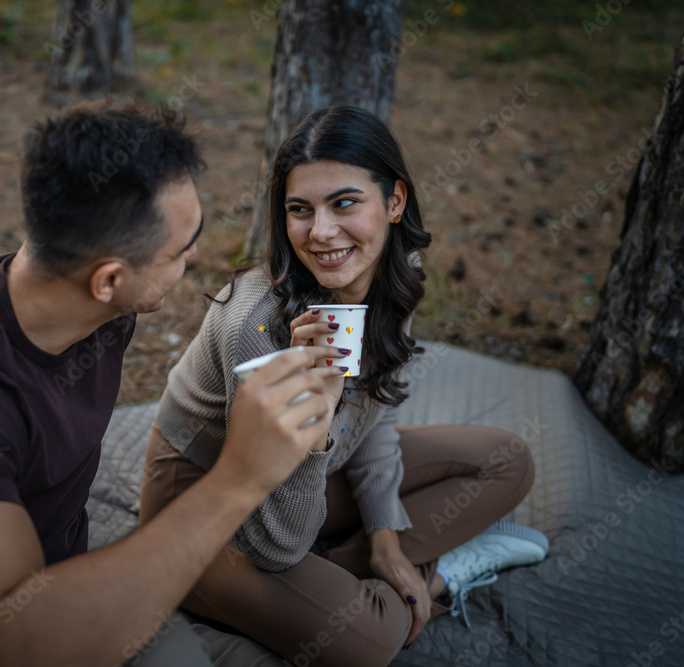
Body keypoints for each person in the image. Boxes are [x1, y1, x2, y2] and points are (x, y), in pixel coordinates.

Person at [0, 104, 347, 666]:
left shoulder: (96, 310)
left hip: (78, 594)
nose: (195, 255)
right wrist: (238, 479)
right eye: (182, 248)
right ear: (108, 280)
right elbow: (5, 646)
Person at [139, 105, 548, 667]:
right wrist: (315, 420)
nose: (321, 233)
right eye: (300, 209)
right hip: (206, 507)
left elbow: (372, 418)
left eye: (345, 203)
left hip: (313, 481)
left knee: (508, 462)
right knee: (368, 640)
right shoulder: (256, 328)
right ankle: (436, 578)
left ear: (395, 201)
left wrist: (385, 539)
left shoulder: (389, 279)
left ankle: (359, 572)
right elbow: (275, 545)